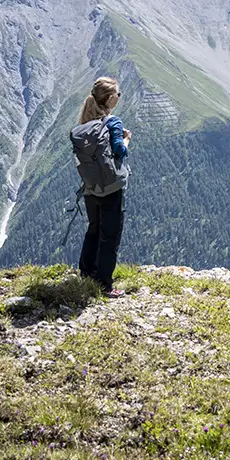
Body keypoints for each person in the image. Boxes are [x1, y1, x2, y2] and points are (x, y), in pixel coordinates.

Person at [75, 76, 131, 298]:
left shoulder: (85, 122)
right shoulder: (113, 122)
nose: (119, 97)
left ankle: (86, 273)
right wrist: (126, 139)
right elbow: (119, 151)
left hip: (90, 187)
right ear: (110, 99)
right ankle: (105, 284)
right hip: (111, 188)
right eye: (118, 94)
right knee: (110, 235)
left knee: (94, 229)